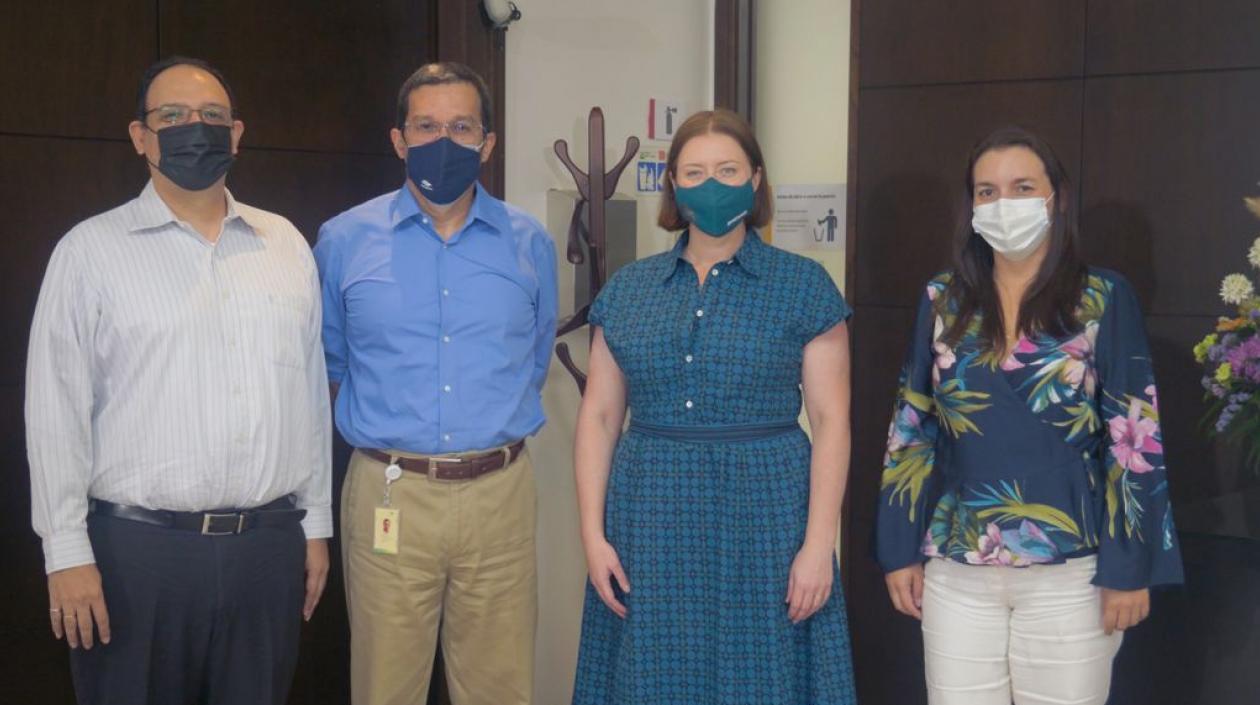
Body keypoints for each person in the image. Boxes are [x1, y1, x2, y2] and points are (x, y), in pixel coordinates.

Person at [26, 56, 332, 705]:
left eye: (212, 118)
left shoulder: (284, 246)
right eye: (173, 117)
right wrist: (65, 550)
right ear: (140, 135)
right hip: (136, 556)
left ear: (238, 133)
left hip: (266, 550)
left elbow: (308, 398)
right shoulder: (89, 251)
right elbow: (54, 411)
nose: (195, 129)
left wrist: (316, 525)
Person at [876, 126, 1183, 705]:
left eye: (1022, 187)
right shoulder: (944, 299)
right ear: (970, 206)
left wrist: (1130, 567)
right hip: (958, 563)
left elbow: (1134, 438)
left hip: (1073, 569)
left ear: (1056, 197)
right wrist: (897, 550)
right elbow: (910, 429)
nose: (1003, 203)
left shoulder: (1101, 297)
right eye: (986, 191)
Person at [570, 108, 857, 705]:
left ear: (756, 180)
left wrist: (817, 545)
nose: (711, 184)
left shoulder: (804, 285)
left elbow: (832, 422)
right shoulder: (628, 289)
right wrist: (593, 536)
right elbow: (599, 418)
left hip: (769, 515)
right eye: (694, 172)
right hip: (650, 513)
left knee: (763, 679)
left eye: (728, 169)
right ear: (673, 184)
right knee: (653, 677)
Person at [314, 61, 557, 705]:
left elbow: (532, 363)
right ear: (399, 139)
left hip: (500, 494)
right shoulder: (343, 240)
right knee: (384, 687)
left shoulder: (528, 242)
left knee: (500, 687)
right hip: (389, 493)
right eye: (425, 125)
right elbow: (332, 369)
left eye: (461, 126)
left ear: (487, 142)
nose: (442, 141)